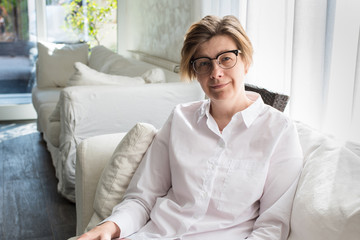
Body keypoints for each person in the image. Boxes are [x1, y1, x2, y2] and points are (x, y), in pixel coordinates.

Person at [78, 15, 303, 240]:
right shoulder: (180, 118)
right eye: (204, 63)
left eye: (226, 59)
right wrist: (107, 228)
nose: (215, 73)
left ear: (245, 61)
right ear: (195, 72)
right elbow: (141, 199)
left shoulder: (279, 131)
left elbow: (271, 227)